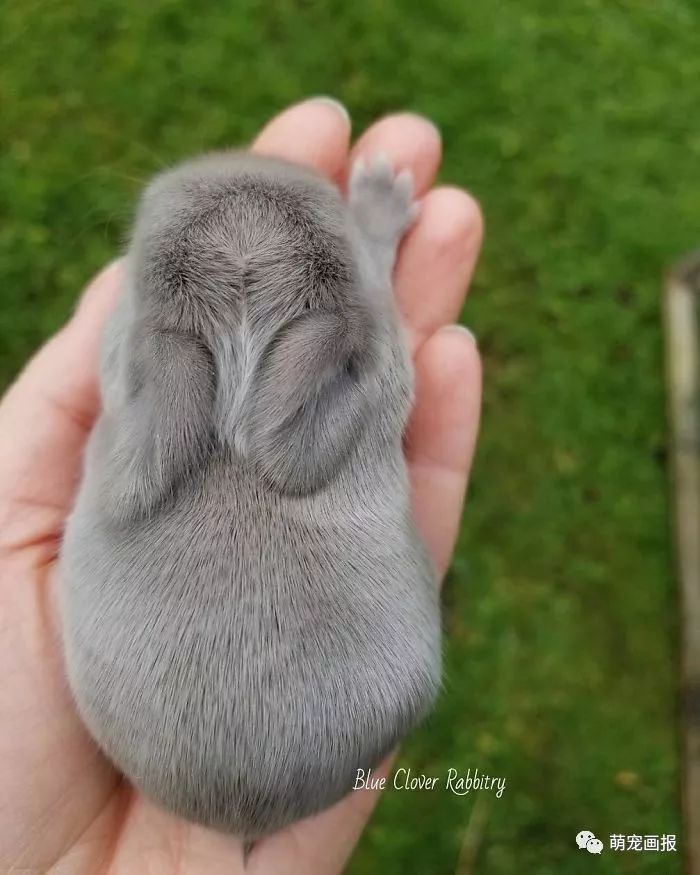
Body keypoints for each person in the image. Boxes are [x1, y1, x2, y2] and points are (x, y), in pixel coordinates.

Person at [0, 97, 483, 874]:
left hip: (149, 734)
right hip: (344, 718)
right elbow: (354, 389)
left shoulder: (152, 394)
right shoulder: (348, 374)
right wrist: (371, 243)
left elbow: (132, 477)